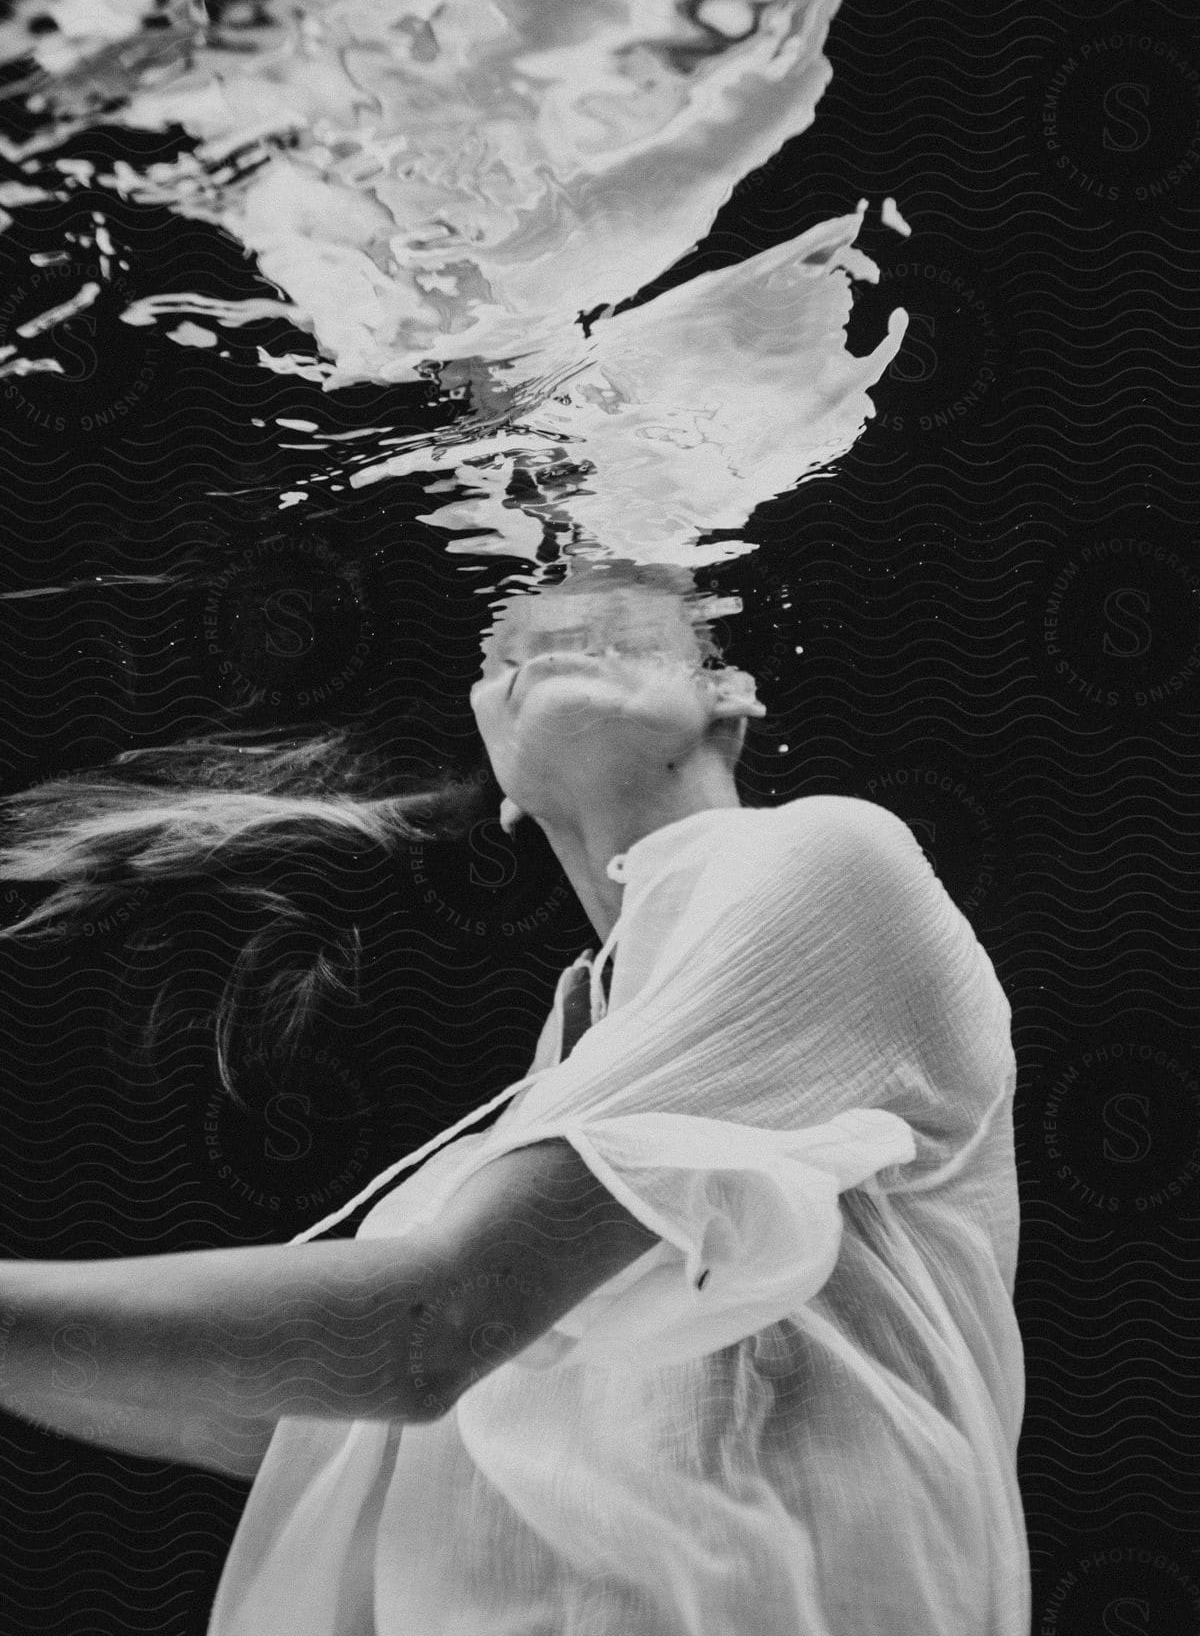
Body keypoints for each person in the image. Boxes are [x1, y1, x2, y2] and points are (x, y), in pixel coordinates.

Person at [0, 569, 1030, 1634]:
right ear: (499, 766)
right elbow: (295, 1420)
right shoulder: (571, 1062)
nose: (557, 603)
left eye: (621, 608)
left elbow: (429, 1332)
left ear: (729, 692)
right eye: (506, 648)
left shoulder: (827, 859)